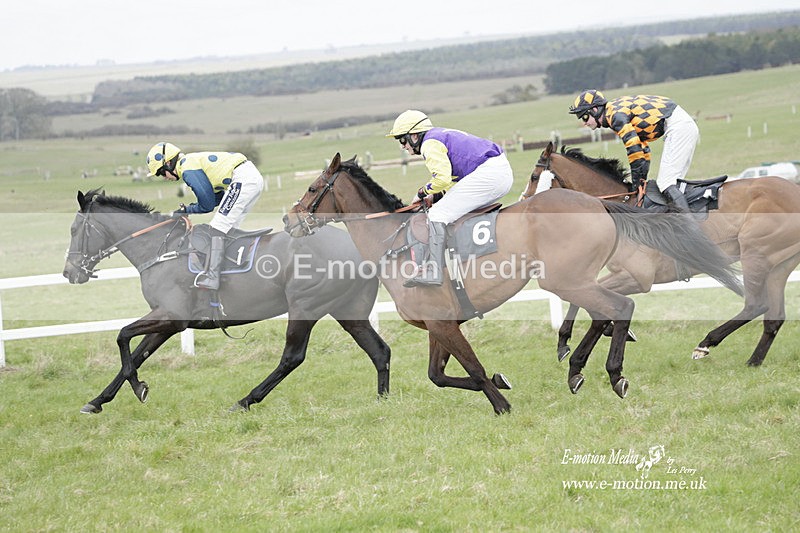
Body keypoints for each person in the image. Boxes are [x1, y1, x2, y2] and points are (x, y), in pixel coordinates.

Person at [386, 110, 514, 287]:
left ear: (414, 136)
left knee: (438, 214)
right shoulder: (437, 136)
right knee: (446, 208)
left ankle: (434, 271)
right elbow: (451, 182)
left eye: (402, 140)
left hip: (490, 174)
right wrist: (437, 194)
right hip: (495, 170)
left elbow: (442, 179)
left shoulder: (429, 145)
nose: (402, 146)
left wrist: (422, 192)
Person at [145, 142, 264, 290]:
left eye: (161, 172)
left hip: (243, 179)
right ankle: (231, 272)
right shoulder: (190, 163)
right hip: (249, 178)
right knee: (228, 230)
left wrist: (186, 210)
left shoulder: (188, 168)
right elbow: (217, 199)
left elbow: (206, 205)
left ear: (169, 163)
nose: (163, 177)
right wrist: (187, 210)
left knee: (217, 228)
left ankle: (213, 278)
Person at [568, 90, 698, 210]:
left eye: (584, 117)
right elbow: (643, 149)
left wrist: (636, 184)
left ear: (595, 110)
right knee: (674, 183)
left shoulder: (615, 116)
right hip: (681, 124)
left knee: (665, 183)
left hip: (677, 127)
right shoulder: (614, 110)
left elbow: (633, 148)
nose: (584, 123)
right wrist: (641, 181)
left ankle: (689, 224)